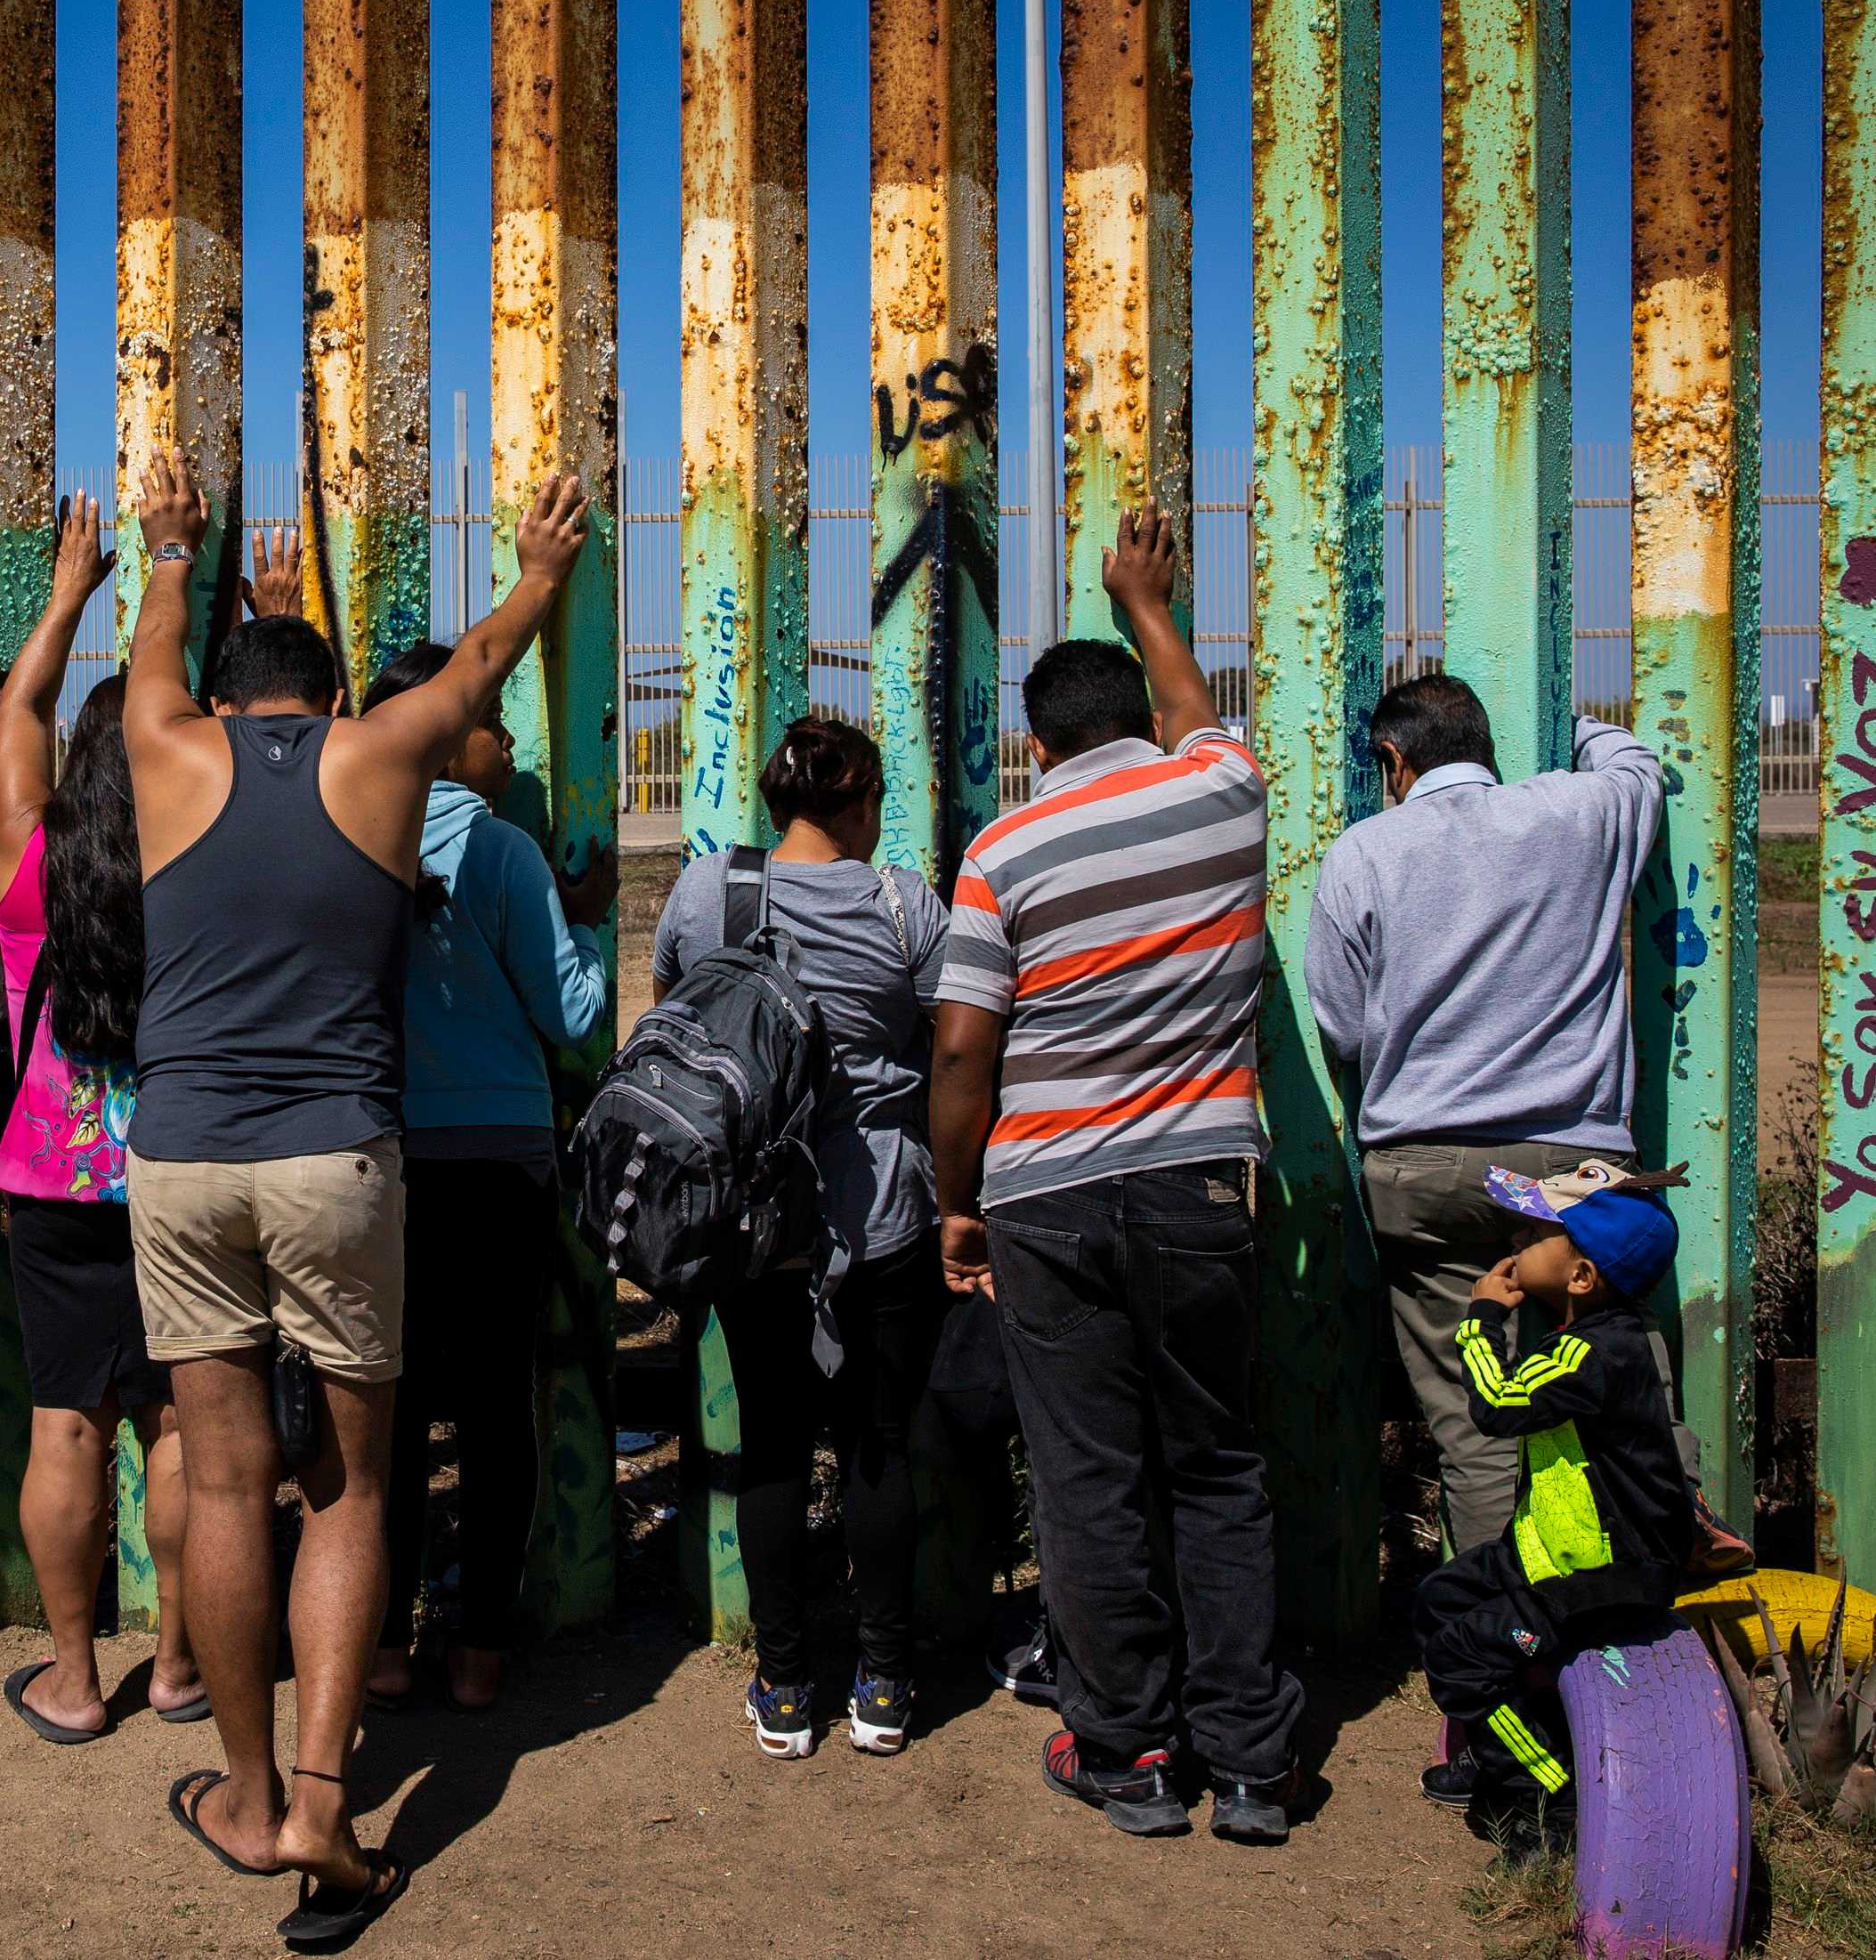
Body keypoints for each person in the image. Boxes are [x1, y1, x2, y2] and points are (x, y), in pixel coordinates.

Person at [128, 449, 589, 1940]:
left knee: (221, 1473)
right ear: (330, 700)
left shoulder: (162, 747)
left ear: (225, 690)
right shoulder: (378, 759)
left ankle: (249, 1797)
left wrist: (169, 546)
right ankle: (330, 1810)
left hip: (184, 1155)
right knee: (352, 1478)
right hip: (340, 1156)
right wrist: (542, 562)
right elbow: (479, 663)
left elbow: (150, 640)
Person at [930, 508, 1304, 1844]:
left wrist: (957, 1199)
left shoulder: (1004, 850)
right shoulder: (1223, 788)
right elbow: (1199, 712)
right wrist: (1147, 596)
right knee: (1216, 1464)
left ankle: (1129, 1749)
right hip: (1203, 1181)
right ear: (1141, 713)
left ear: (1037, 745)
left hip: (1044, 1195)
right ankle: (1254, 1762)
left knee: (1089, 1475)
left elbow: (966, 1047)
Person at [1305, 676, 1726, 1565]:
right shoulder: (1579, 811)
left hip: (1425, 1167)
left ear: (1392, 758)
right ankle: (1666, 1535)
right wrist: (1557, 714)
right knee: (1626, 1362)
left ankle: (1509, 1614)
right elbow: (1633, 760)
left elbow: (1340, 1026)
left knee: (1473, 1419)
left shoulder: (1361, 852)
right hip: (1569, 1169)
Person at [651, 716, 950, 1760]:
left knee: (771, 1442)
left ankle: (783, 1685)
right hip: (882, 1219)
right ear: (863, 798)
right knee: (877, 1446)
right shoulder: (903, 902)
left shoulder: (707, 894)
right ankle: (882, 1679)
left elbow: (675, 1020)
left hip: (751, 1225)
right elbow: (945, 1043)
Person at [356, 629, 611, 1716]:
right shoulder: (502, 850)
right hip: (501, 1163)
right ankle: (479, 1649)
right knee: (498, 1407)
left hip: (386, 1160)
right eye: (492, 713)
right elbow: (572, 1015)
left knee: (393, 1409)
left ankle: (377, 1644)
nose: (507, 736)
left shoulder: (352, 834)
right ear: (450, 734)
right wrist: (588, 926)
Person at [0, 491, 204, 1740]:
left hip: (47, 1185)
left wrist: (71, 592)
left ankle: (75, 1678)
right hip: (177, 1174)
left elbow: (15, 710)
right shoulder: (200, 864)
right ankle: (181, 1665)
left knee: (64, 1421)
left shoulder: (33, 859)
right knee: (183, 1423)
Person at [1413, 1161, 1690, 1827]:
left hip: (1604, 1574)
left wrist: (1480, 1319)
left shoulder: (1590, 1353)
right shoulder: (1588, 1338)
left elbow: (1499, 1404)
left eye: (1536, 1232)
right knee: (1442, 1600)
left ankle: (1547, 1793)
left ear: (1581, 1276)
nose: (1516, 1240)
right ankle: (1495, 1742)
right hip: (1557, 1546)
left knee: (1461, 1658)